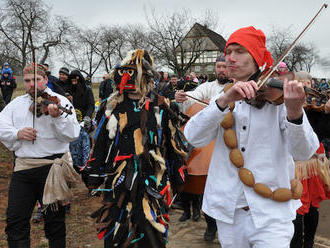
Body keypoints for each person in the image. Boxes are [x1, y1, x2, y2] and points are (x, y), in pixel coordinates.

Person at [184, 26, 319, 248]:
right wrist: (224, 101)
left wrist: (295, 112)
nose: (230, 58)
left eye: (239, 51)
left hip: (272, 212)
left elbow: (304, 152)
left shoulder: (278, 100)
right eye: (228, 52)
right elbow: (193, 137)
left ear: (256, 58)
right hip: (229, 211)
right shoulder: (221, 96)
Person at [85, 49, 188, 247]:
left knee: (151, 234)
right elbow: (100, 143)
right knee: (117, 234)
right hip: (118, 181)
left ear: (147, 78)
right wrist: (94, 172)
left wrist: (177, 173)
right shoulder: (110, 106)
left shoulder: (160, 106)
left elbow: (171, 142)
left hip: (151, 181)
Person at [0, 63, 80, 248]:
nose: (32, 84)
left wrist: (58, 118)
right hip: (24, 169)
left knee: (55, 223)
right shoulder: (16, 105)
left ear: (45, 80)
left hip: (53, 170)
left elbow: (72, 134)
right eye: (28, 80)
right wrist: (17, 134)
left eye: (36, 79)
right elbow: (2, 126)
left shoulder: (60, 102)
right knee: (15, 221)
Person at [175, 56, 230, 242]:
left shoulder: (239, 86)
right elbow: (191, 101)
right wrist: (184, 99)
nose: (221, 70)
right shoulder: (208, 87)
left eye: (225, 66)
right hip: (211, 139)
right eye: (219, 67)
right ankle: (210, 225)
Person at [290, 71, 330, 248]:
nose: (305, 86)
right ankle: (296, 243)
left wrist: (327, 114)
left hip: (314, 161)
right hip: (295, 162)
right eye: (301, 82)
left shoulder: (315, 108)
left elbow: (322, 132)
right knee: (297, 206)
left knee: (313, 204)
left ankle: (310, 242)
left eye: (308, 82)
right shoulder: (288, 106)